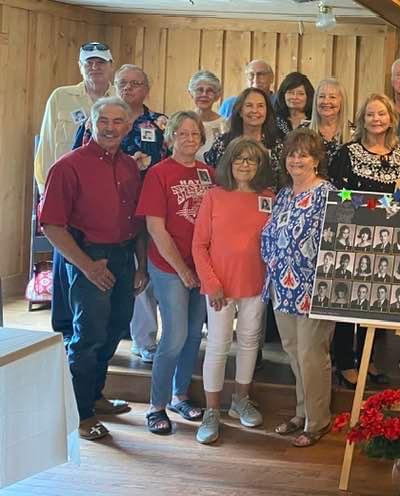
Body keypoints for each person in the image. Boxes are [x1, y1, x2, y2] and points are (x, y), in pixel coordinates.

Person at [39, 96, 147, 441]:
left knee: (115, 328)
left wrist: (141, 266)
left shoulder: (129, 166)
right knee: (87, 337)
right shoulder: (68, 166)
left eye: (118, 122)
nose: (110, 128)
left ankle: (95, 395)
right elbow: (51, 225)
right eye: (103, 120)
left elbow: (138, 223)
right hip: (88, 257)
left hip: (123, 257)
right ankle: (81, 413)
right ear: (91, 123)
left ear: (128, 127)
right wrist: (86, 267)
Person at [71, 64, 167, 362]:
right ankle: (132, 341)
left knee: (143, 276)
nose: (128, 88)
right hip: (101, 224)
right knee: (93, 317)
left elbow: (167, 163)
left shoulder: (160, 123)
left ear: (146, 89)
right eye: (123, 82)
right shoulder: (96, 121)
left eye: (135, 83)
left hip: (147, 212)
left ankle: (146, 339)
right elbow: (77, 160)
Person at [327, 93, 400, 387]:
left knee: (375, 300)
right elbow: (337, 195)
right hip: (353, 237)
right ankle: (344, 361)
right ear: (362, 119)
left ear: (391, 118)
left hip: (390, 241)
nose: (376, 119)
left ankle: (369, 358)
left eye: (381, 113)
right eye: (370, 114)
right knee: (348, 300)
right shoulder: (347, 153)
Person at [136, 111, 215, 435]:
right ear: (170, 138)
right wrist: (182, 270)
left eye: (194, 133)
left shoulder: (208, 173)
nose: (189, 139)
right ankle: (155, 406)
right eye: (182, 133)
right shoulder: (159, 173)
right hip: (170, 266)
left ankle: (178, 395)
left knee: (195, 334)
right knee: (175, 335)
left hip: (201, 266)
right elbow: (155, 228)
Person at [196, 138, 274, 443]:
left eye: (252, 160)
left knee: (249, 341)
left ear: (260, 166)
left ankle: (240, 400)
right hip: (220, 287)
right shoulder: (214, 196)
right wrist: (211, 283)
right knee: (218, 345)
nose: (245, 164)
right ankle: (212, 410)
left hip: (256, 283)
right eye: (239, 159)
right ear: (229, 163)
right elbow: (199, 245)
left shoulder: (268, 198)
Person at [261, 129, 335, 447]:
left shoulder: (327, 193)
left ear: (316, 160)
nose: (296, 160)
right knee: (293, 351)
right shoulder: (283, 195)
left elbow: (336, 242)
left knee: (311, 355)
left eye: (303, 154)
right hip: (282, 285)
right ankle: (302, 412)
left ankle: (318, 420)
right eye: (292, 154)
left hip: (313, 288)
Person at [36, 41, 116, 195]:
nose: (94, 67)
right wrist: (45, 188)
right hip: (65, 182)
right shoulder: (60, 97)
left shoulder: (121, 100)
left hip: (108, 185)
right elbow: (47, 144)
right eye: (89, 63)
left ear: (111, 65)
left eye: (101, 62)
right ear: (80, 66)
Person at [205, 87, 285, 187]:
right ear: (240, 111)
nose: (255, 110)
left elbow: (282, 180)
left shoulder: (276, 145)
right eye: (249, 105)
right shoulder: (223, 142)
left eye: (260, 106)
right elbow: (211, 175)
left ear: (267, 112)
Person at [187, 70, 227, 159]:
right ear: (191, 93)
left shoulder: (225, 125)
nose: (204, 94)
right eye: (199, 90)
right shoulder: (182, 122)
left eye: (210, 91)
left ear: (217, 96)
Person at [310, 77, 349, 156]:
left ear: (342, 102)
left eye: (332, 97)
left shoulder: (354, 134)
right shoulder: (303, 132)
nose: (326, 101)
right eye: (322, 96)